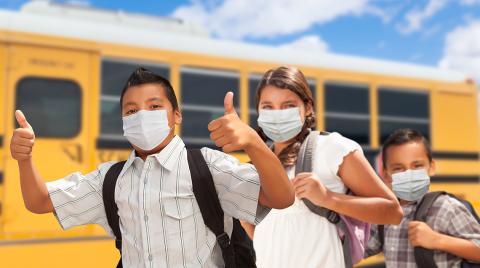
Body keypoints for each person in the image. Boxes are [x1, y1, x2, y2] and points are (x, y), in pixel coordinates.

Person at [10, 67, 294, 267]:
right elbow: (40, 201)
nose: (142, 116)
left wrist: (254, 143)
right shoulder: (110, 180)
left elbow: (281, 198)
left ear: (177, 115)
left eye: (155, 106)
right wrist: (25, 159)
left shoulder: (207, 166)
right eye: (131, 111)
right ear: (123, 122)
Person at [242, 66, 403, 268]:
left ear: (307, 107)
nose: (277, 115)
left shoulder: (332, 148)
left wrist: (328, 198)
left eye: (288, 105)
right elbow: (258, 230)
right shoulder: (257, 166)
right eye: (268, 107)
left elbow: (392, 212)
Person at [365, 128, 480, 267]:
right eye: (398, 168)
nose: (408, 173)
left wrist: (437, 240)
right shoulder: (386, 214)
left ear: (431, 167)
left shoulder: (446, 207)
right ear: (385, 174)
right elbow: (360, 249)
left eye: (417, 166)